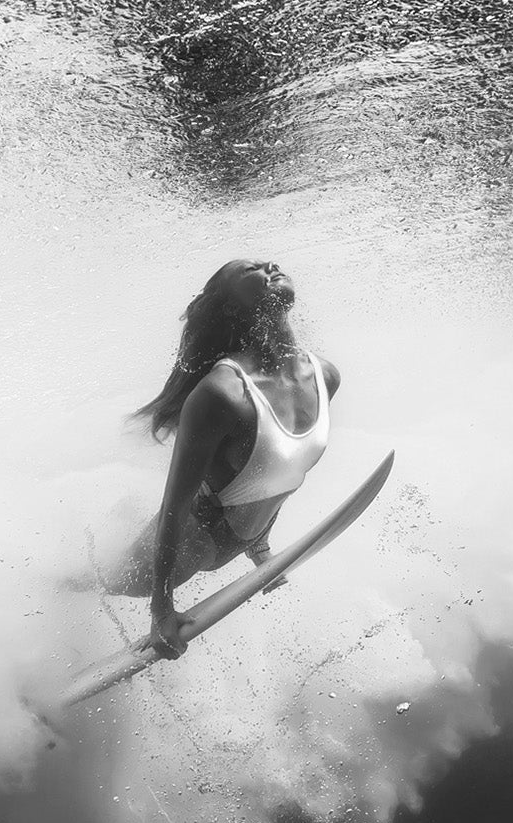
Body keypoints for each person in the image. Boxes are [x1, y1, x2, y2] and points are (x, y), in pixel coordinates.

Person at [108, 259, 340, 658]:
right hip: (187, 548)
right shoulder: (222, 393)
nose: (270, 264)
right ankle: (31, 587)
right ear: (232, 306)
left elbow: (283, 471)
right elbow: (174, 507)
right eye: (251, 269)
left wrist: (260, 546)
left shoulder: (325, 376)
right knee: (101, 580)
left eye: (270, 261)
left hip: (239, 539)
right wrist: (161, 609)